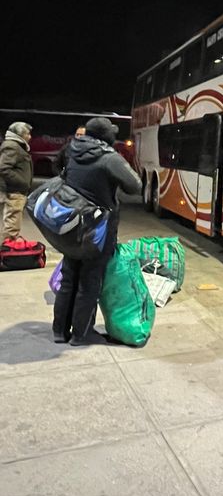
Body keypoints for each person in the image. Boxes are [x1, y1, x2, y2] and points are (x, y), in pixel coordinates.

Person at [52, 117, 141, 346]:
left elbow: (60, 170)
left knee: (70, 278)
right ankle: (82, 334)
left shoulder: (71, 150)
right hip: (98, 229)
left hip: (71, 225)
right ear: (105, 136)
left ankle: (60, 331)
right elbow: (135, 187)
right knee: (89, 281)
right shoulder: (109, 158)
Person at [0, 121, 33, 241]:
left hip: (16, 191)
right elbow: (4, 168)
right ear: (20, 134)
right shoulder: (12, 146)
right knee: (11, 228)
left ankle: (7, 253)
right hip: (14, 191)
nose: (30, 137)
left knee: (12, 226)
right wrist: (20, 182)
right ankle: (7, 255)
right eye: (28, 134)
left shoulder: (16, 146)